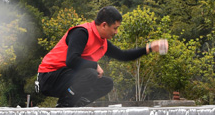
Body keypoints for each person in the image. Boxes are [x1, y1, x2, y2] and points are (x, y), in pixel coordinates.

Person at [36, 6, 168, 107]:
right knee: (90, 74)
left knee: (106, 83)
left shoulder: (102, 43)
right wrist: (95, 65)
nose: (116, 32)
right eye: (115, 28)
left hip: (66, 79)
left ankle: (76, 105)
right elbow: (71, 61)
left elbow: (123, 56)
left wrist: (149, 48)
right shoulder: (81, 33)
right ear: (104, 25)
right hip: (48, 77)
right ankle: (63, 107)